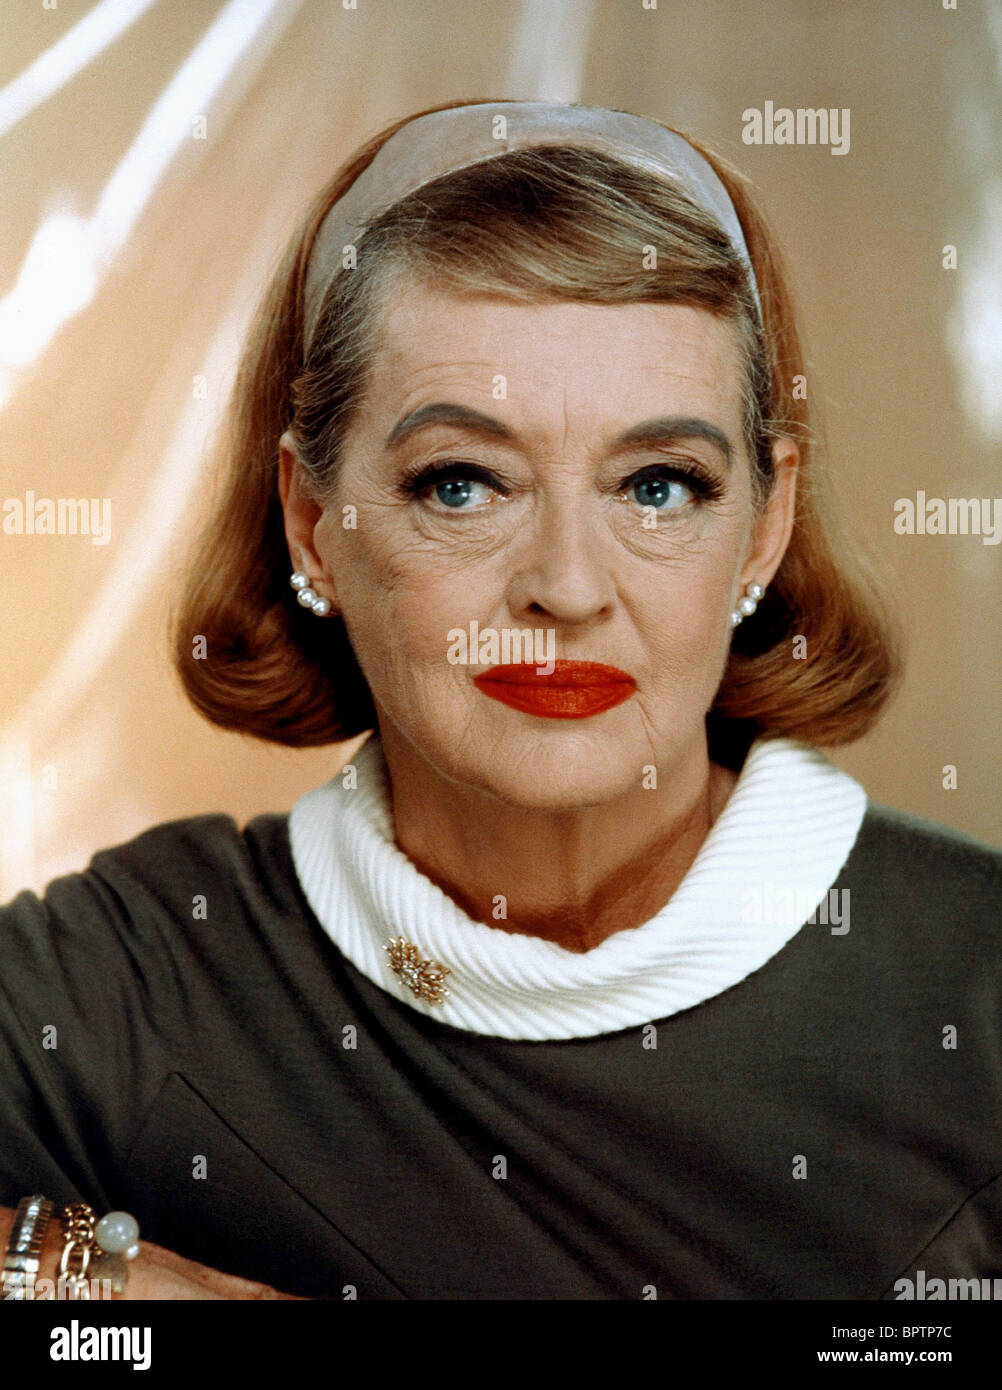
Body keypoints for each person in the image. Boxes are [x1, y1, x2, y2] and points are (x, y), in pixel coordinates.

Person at [2, 98, 1000, 1302]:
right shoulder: (131, 980)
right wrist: (89, 1285)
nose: (567, 587)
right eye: (463, 483)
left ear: (764, 524)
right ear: (313, 521)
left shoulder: (975, 986)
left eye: (659, 485)